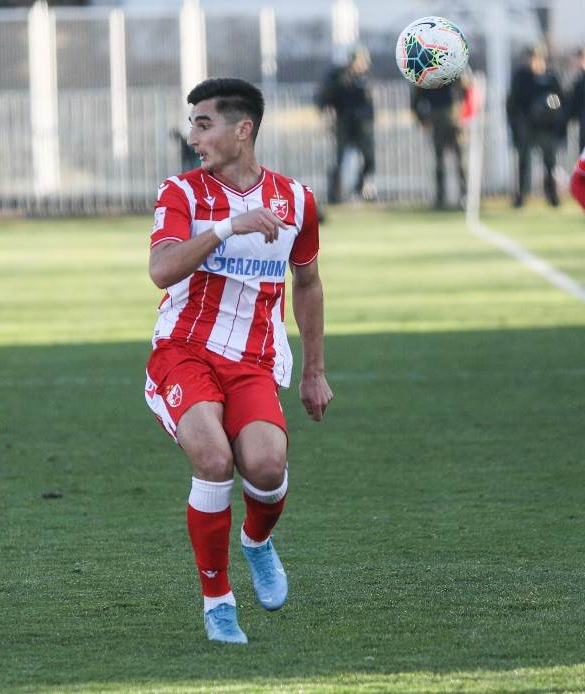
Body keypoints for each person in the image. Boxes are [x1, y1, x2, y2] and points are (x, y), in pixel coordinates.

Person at [144, 78, 333, 644]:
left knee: (268, 469)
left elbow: (308, 283)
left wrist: (315, 371)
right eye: (193, 125)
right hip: (183, 351)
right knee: (213, 460)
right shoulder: (181, 193)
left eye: (204, 125)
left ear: (242, 130)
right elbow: (161, 270)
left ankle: (256, 540)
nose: (193, 137)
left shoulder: (296, 200)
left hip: (254, 360)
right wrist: (227, 228)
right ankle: (218, 602)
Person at [316, 45, 376, 204]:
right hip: (343, 121)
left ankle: (362, 188)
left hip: (362, 123)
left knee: (368, 156)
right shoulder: (338, 76)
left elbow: (369, 103)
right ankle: (334, 194)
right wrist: (326, 112)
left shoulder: (366, 78)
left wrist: (371, 119)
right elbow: (324, 96)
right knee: (339, 159)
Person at [506, 46, 565, 207]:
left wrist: (552, 114)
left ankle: (552, 195)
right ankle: (521, 196)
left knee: (550, 163)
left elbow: (561, 100)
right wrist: (517, 124)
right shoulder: (521, 77)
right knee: (524, 162)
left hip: (546, 127)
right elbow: (513, 103)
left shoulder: (551, 77)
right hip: (527, 126)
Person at [411, 72, 470, 209]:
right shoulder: (425, 74)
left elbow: (465, 91)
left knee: (460, 159)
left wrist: (462, 114)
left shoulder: (453, 70)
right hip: (436, 118)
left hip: (454, 118)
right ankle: (440, 197)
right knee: (439, 161)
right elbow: (415, 101)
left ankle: (465, 195)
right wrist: (423, 119)